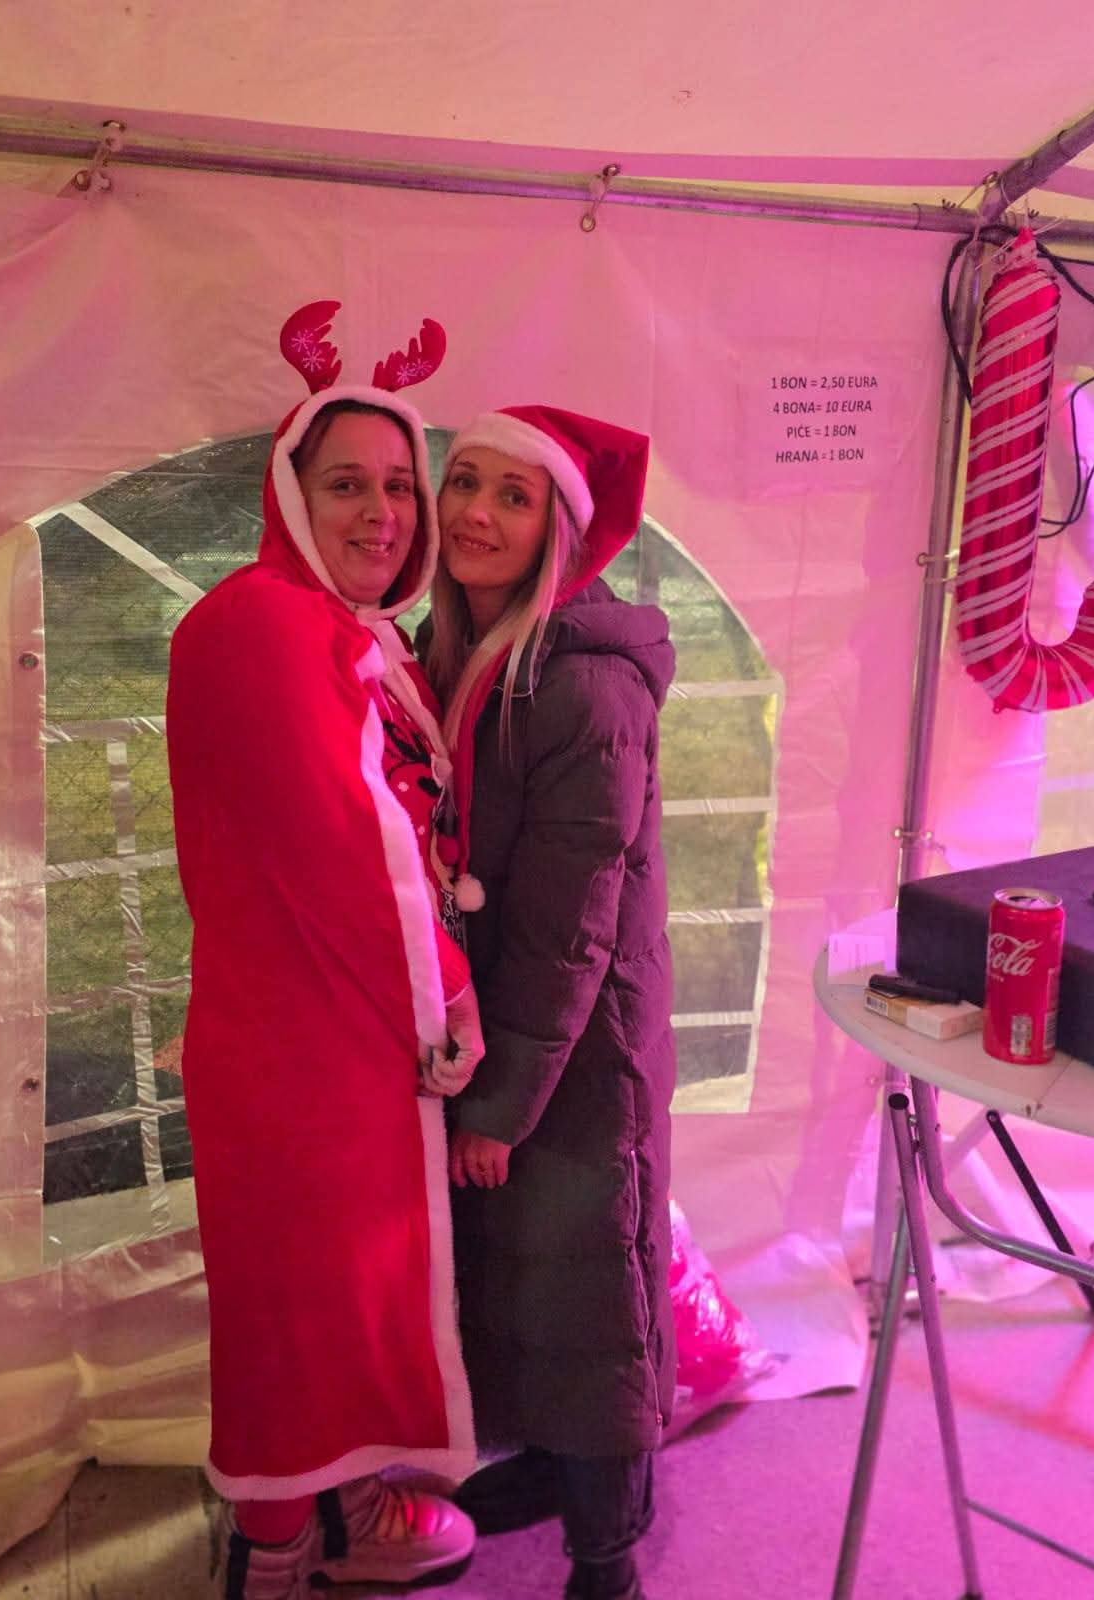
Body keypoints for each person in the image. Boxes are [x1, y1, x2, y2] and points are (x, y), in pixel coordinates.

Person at [166, 308, 482, 1600]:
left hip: (333, 1033)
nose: (385, 513)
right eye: (348, 484)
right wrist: (451, 994)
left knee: (335, 1296)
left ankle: (338, 1505)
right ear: (289, 493)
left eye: (401, 486)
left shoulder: (346, 634)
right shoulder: (264, 624)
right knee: (297, 1309)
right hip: (304, 1046)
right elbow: (353, 849)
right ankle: (280, 1547)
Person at [423, 407, 678, 1600]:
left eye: (513, 497)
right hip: (505, 1034)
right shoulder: (454, 648)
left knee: (589, 1282)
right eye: (463, 481)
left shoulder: (585, 688)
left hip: (579, 1049)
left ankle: (608, 1551)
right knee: (513, 1269)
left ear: (558, 533)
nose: (475, 512)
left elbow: (570, 928)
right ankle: (543, 1457)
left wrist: (502, 1103)